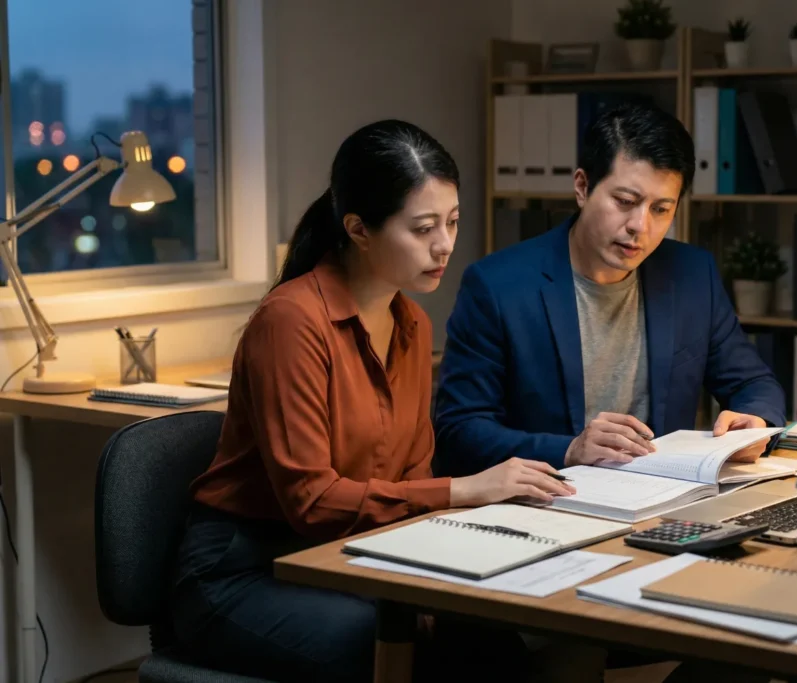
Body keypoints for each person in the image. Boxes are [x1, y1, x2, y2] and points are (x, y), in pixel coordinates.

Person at [169, 119, 573, 683]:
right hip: (243, 572)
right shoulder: (292, 321)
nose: (445, 245)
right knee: (398, 648)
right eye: (423, 227)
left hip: (344, 557)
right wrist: (462, 490)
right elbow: (311, 501)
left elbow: (409, 473)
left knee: (486, 631)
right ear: (359, 229)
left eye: (453, 222)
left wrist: (421, 576)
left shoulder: (412, 323)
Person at [433, 101, 786, 479]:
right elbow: (459, 432)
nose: (640, 226)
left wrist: (756, 419)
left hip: (661, 497)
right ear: (583, 187)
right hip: (549, 499)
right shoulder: (497, 286)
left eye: (661, 209)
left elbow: (753, 383)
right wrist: (568, 449)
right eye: (625, 202)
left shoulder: (691, 274)